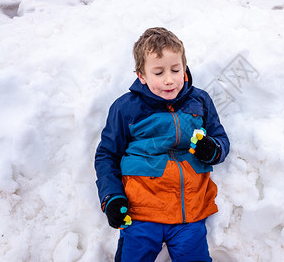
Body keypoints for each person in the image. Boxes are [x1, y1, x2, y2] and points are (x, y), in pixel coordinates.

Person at [94, 27, 230, 262]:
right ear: (142, 76)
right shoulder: (126, 107)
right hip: (141, 213)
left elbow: (221, 139)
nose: (169, 79)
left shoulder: (199, 101)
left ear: (184, 69)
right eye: (158, 72)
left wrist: (213, 149)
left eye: (175, 70)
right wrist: (111, 198)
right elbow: (107, 155)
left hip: (190, 212)